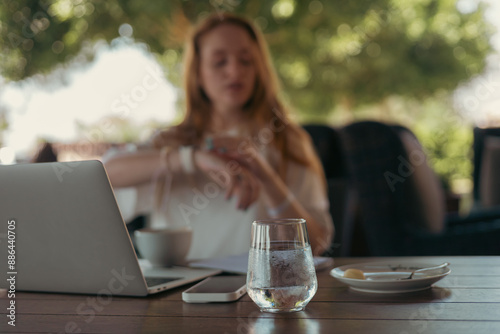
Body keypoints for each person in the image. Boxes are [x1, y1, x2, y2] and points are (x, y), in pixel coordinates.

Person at [104, 12, 334, 260]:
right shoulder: (171, 143)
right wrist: (192, 159)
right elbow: (106, 173)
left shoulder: (287, 141)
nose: (235, 71)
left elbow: (318, 243)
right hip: (179, 294)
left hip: (258, 294)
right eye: (219, 62)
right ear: (198, 74)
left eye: (246, 61)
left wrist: (266, 178)